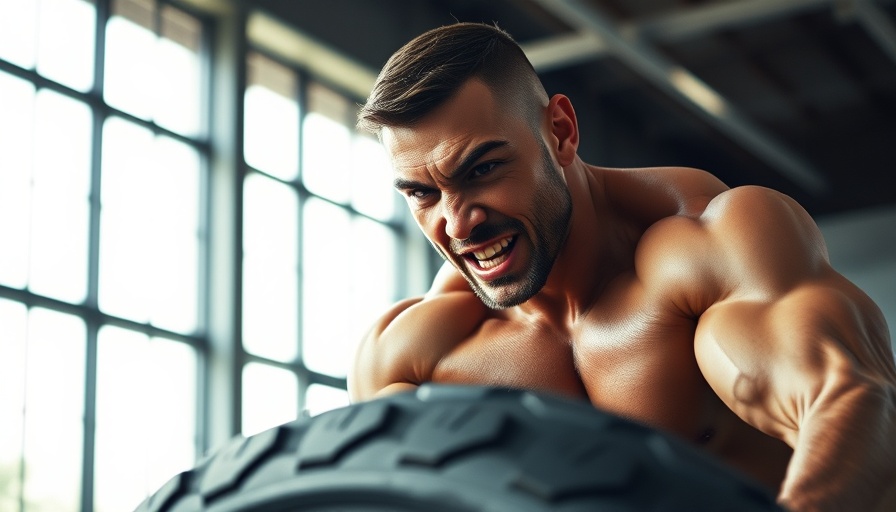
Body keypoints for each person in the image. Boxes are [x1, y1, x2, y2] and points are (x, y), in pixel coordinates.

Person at [348, 22, 896, 511]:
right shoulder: (414, 359)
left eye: (483, 169)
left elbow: (857, 402)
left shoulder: (712, 246)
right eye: (422, 194)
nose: (459, 223)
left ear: (560, 132)